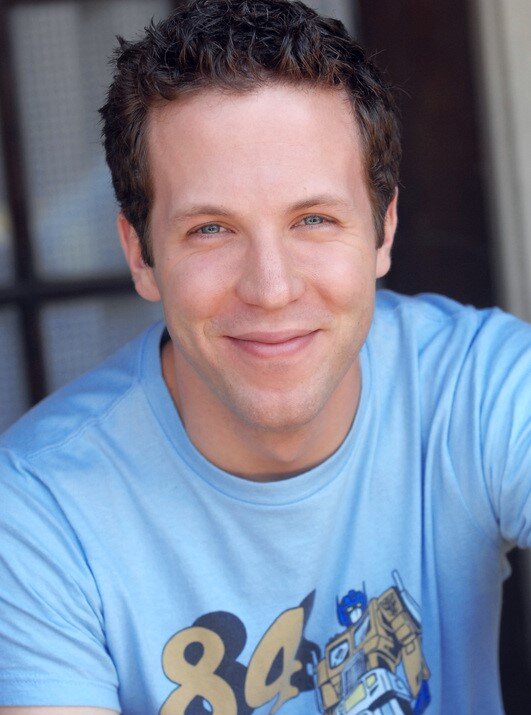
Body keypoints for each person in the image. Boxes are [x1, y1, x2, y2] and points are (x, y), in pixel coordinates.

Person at [0, 1, 529, 713]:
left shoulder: (479, 385)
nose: (272, 288)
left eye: (313, 219)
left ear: (382, 230)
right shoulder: (39, 508)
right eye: (211, 229)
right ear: (141, 254)